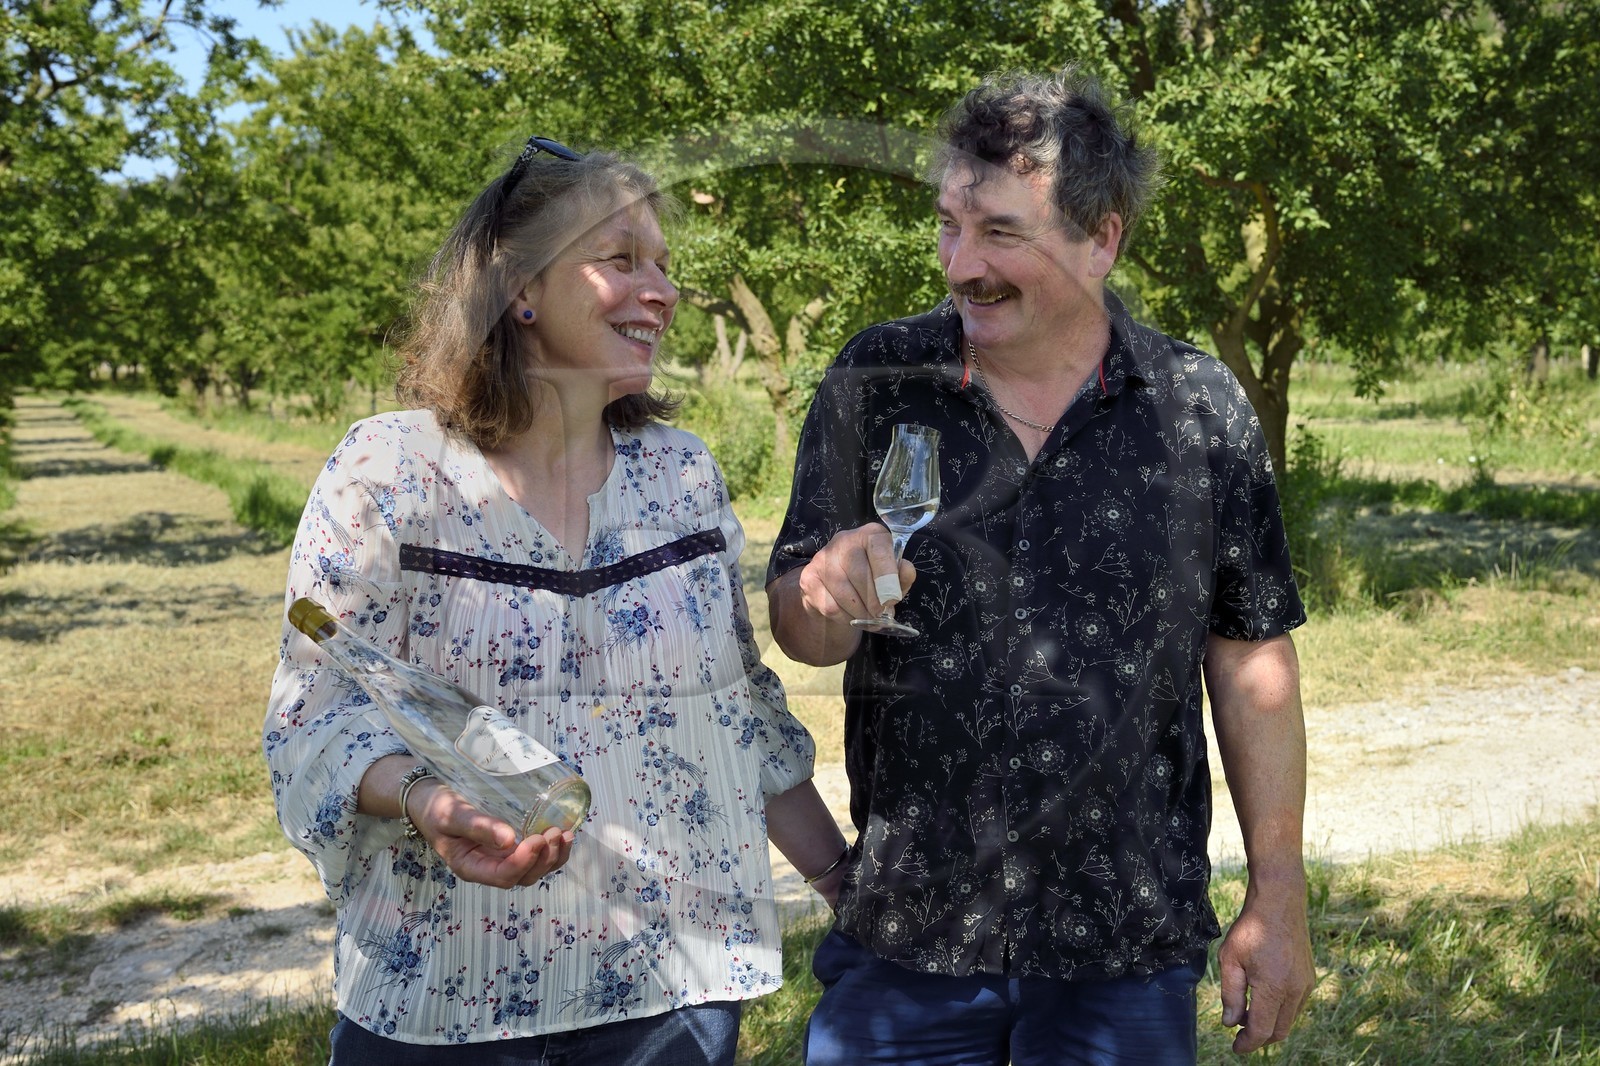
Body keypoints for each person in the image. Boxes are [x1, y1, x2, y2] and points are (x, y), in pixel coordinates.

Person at [767, 68, 1315, 1064]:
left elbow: (1251, 660)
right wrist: (822, 593)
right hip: (905, 944)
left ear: (1100, 237)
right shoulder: (877, 377)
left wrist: (1277, 893)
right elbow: (800, 627)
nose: (959, 263)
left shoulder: (1196, 405)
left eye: (1000, 233)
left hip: (1123, 948)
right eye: (947, 225)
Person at [263, 137, 849, 1064]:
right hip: (446, 1004)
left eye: (663, 265)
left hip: (672, 1002)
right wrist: (428, 802)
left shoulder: (681, 476)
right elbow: (315, 721)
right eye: (620, 259)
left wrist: (843, 885)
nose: (660, 290)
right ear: (520, 288)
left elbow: (737, 710)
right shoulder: (392, 473)